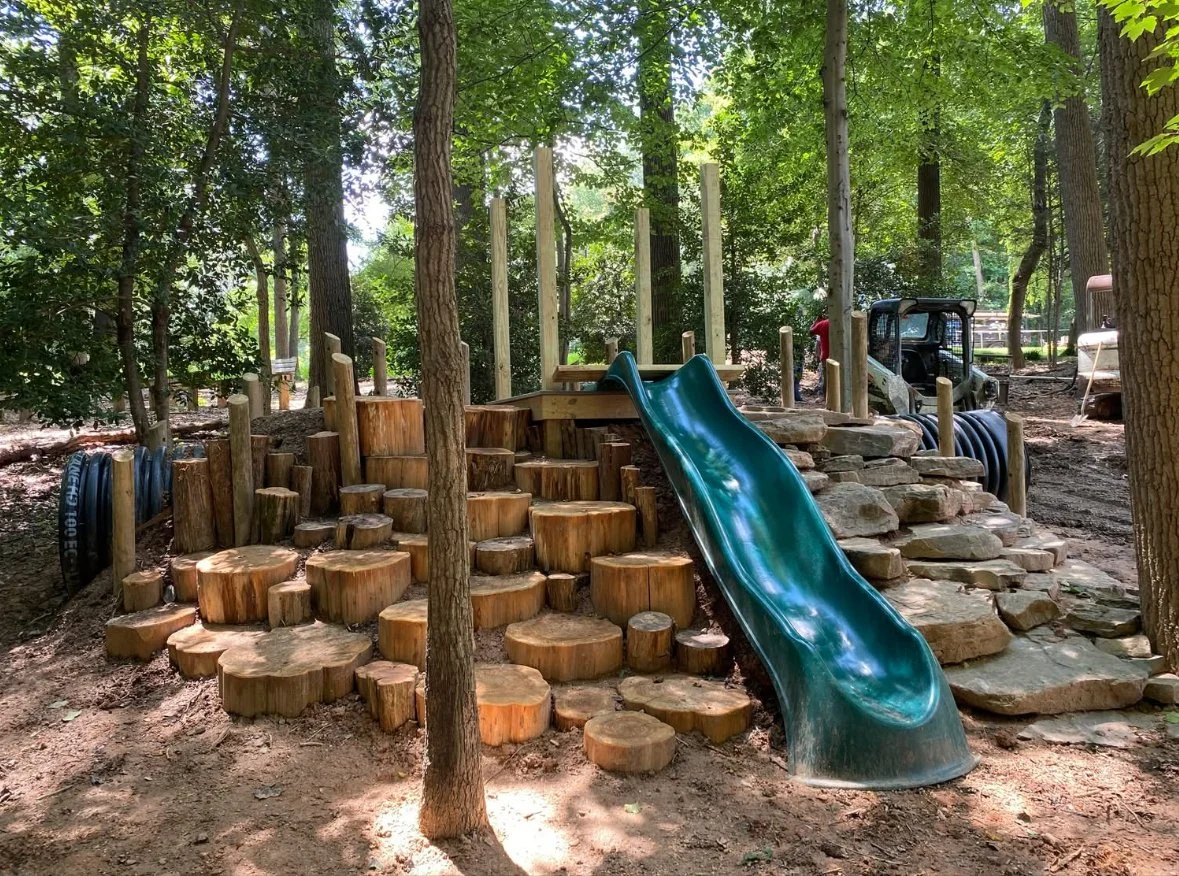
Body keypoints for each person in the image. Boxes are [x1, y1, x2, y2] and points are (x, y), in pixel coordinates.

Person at [809, 314, 830, 394]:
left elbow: (810, 332)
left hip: (826, 356)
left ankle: (827, 399)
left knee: (827, 379)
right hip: (843, 357)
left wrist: (816, 321)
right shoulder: (846, 323)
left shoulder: (822, 324)